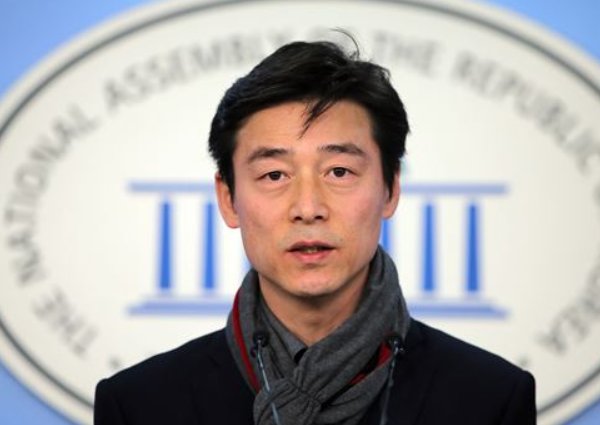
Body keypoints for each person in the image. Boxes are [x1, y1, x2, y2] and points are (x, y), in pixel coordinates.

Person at [94, 37, 536, 425]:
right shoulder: (140, 405)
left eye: (339, 171)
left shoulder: (490, 399)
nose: (308, 209)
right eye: (274, 175)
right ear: (228, 198)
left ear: (390, 189)